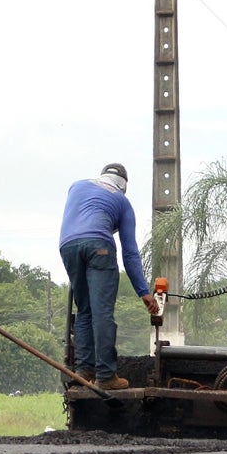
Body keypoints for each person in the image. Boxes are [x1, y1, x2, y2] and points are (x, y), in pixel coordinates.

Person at [59, 163, 158, 390]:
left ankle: (83, 370)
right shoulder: (123, 202)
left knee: (84, 310)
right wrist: (143, 291)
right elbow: (130, 253)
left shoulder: (77, 185)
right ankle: (105, 376)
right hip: (99, 247)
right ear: (123, 185)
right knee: (102, 312)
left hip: (68, 246)